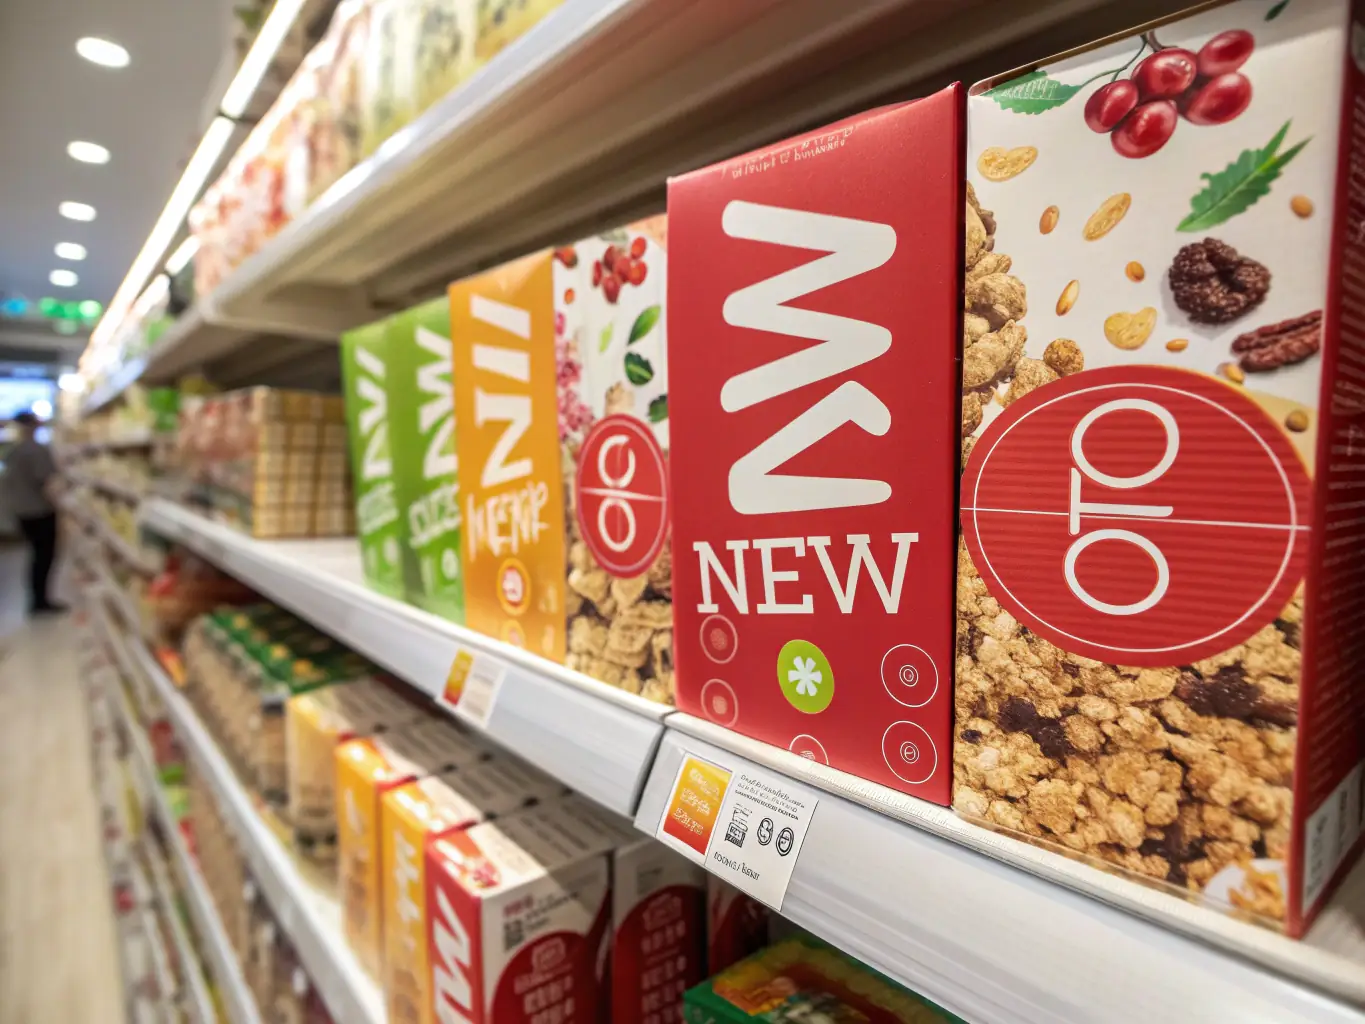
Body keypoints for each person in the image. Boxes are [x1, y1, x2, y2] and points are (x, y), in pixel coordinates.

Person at [7, 411, 65, 614]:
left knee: (35, 555)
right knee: (44, 556)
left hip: (22, 512)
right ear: (34, 425)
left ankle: (36, 599)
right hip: (40, 511)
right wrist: (60, 505)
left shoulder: (13, 452)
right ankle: (41, 601)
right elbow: (47, 483)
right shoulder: (37, 450)